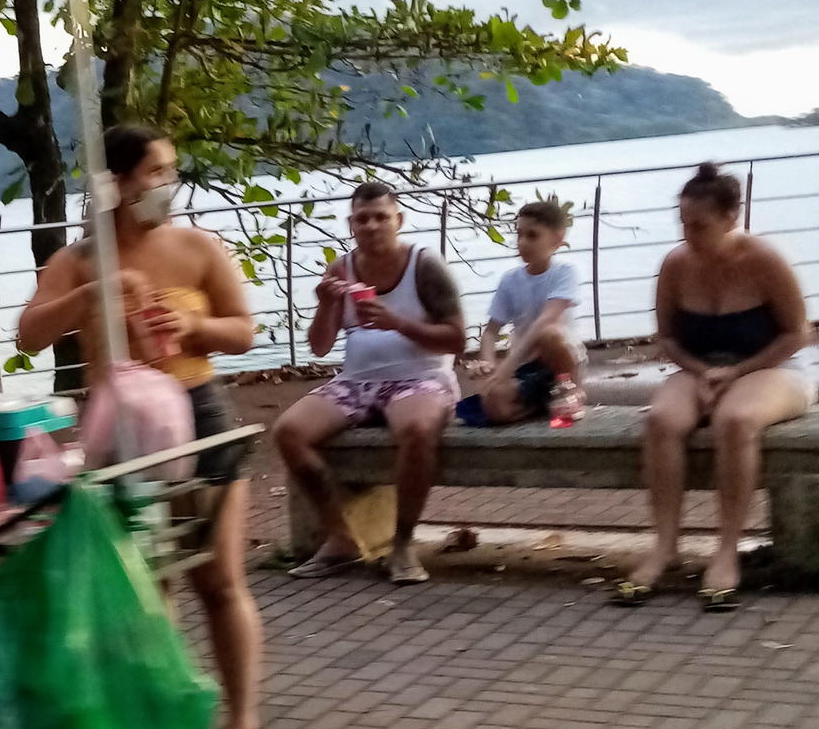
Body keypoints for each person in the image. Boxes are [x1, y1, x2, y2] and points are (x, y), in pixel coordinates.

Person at [13, 126, 265, 729]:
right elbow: (29, 335)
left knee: (219, 578)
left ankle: (241, 725)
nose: (166, 186)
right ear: (118, 184)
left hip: (200, 420)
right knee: (142, 586)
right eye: (155, 173)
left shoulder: (197, 247)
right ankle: (160, 714)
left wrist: (193, 326)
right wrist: (91, 294)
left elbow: (243, 331)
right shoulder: (78, 259)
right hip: (120, 433)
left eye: (171, 171)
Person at [613, 161, 813, 610]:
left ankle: (726, 552)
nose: (689, 236)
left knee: (735, 420)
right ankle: (665, 545)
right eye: (683, 224)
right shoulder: (675, 264)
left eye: (700, 226)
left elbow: (797, 333)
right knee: (663, 420)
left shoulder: (764, 260)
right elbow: (667, 337)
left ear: (730, 218)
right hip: (699, 367)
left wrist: (736, 373)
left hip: (771, 367)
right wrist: (702, 372)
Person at [274, 178, 467, 587]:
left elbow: (456, 338)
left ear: (399, 219)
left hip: (420, 377)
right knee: (289, 432)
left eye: (381, 217)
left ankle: (402, 543)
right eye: (363, 219)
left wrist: (397, 322)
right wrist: (326, 304)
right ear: (351, 225)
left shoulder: (425, 265)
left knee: (416, 430)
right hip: (357, 382)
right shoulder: (340, 270)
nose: (372, 226)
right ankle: (340, 538)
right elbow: (321, 347)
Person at [463, 199, 587, 425]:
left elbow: (545, 321)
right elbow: (491, 331)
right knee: (492, 404)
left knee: (550, 334)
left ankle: (570, 393)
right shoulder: (510, 280)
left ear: (558, 238)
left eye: (532, 235)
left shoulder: (565, 272)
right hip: (528, 367)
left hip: (561, 358)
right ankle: (542, 404)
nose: (523, 243)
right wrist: (489, 365)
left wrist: (507, 367)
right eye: (519, 235)